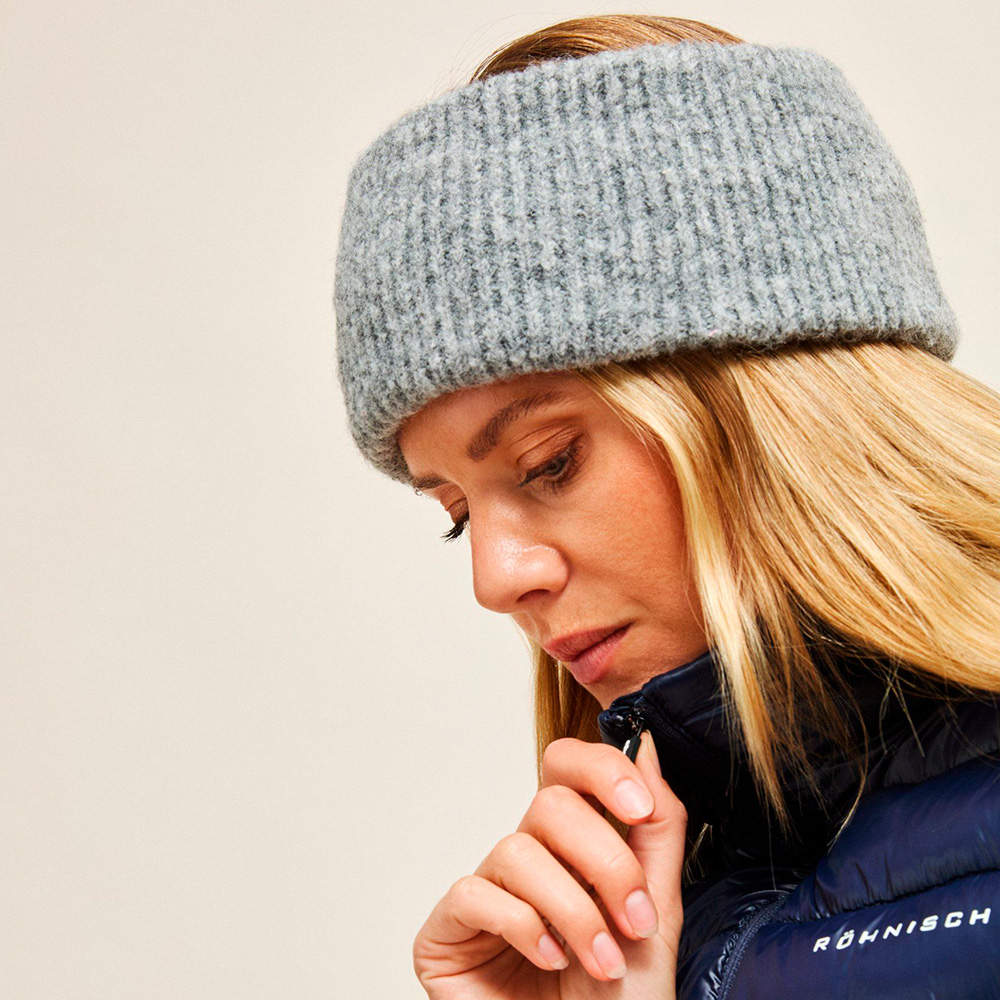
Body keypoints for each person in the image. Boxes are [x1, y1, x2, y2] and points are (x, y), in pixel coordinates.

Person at [333, 14, 1000, 999]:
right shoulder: (666, 891)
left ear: (777, 409)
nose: (494, 580)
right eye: (458, 514)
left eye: (548, 462)